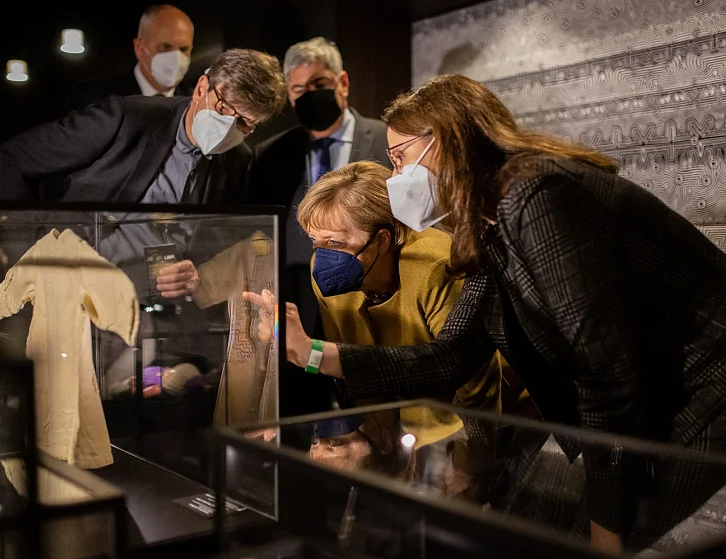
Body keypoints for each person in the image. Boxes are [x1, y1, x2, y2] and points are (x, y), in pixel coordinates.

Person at [282, 74, 726, 553]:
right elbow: (451, 357)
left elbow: (603, 371)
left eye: (398, 158)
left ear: (446, 143)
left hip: (707, 383)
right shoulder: (488, 221)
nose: (393, 179)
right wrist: (312, 355)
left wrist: (606, 525)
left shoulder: (535, 196)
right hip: (653, 394)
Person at [295, 161, 533, 420]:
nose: (321, 257)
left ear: (382, 240)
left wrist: (463, 458)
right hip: (409, 428)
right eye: (314, 241)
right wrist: (381, 441)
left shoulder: (440, 266)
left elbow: (475, 390)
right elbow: (351, 367)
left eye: (334, 242)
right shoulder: (326, 274)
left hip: (499, 420)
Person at [248, 37, 391, 418]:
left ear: (342, 83)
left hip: (369, 302)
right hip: (299, 306)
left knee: (372, 413)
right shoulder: (270, 154)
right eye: (298, 90)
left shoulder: (387, 139)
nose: (310, 96)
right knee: (302, 414)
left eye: (320, 86)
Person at [0, 48, 287, 204]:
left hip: (164, 304)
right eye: (224, 107)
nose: (229, 126)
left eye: (246, 122)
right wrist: (30, 244)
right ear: (201, 88)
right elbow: (14, 158)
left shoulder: (238, 160)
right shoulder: (126, 117)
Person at [66, 4, 195, 112]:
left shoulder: (195, 103)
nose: (176, 58)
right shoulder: (95, 99)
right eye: (165, 47)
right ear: (139, 48)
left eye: (184, 49)